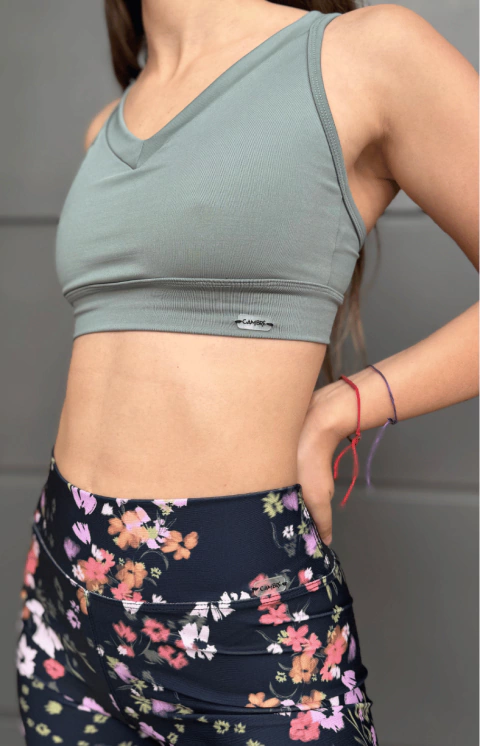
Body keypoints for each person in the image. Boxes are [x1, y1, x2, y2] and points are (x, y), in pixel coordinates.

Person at [15, 1, 478, 744]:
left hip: (240, 622)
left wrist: (343, 406)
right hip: (63, 603)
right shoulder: (107, 125)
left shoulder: (364, 56)